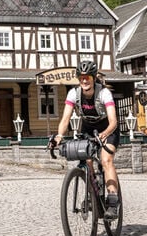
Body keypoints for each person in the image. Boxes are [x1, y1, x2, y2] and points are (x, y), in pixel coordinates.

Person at [49, 58, 120, 218]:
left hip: (108, 129)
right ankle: (92, 194)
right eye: (81, 78)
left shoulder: (104, 93)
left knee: (106, 160)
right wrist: (59, 136)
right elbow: (65, 119)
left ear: (93, 78)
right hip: (88, 128)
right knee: (86, 161)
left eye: (87, 77)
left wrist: (104, 134)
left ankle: (113, 201)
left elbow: (113, 121)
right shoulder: (73, 93)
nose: (84, 81)